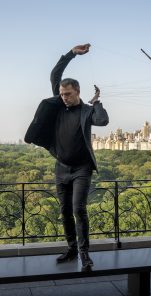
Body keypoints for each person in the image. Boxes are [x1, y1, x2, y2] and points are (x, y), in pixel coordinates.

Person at [24, 43, 109, 268]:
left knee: (78, 210)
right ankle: (71, 249)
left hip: (82, 169)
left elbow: (102, 121)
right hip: (61, 168)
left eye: (68, 94)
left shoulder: (87, 110)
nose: (64, 98)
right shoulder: (60, 106)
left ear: (78, 93)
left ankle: (84, 253)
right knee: (64, 211)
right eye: (61, 94)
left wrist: (97, 102)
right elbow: (55, 74)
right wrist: (72, 53)